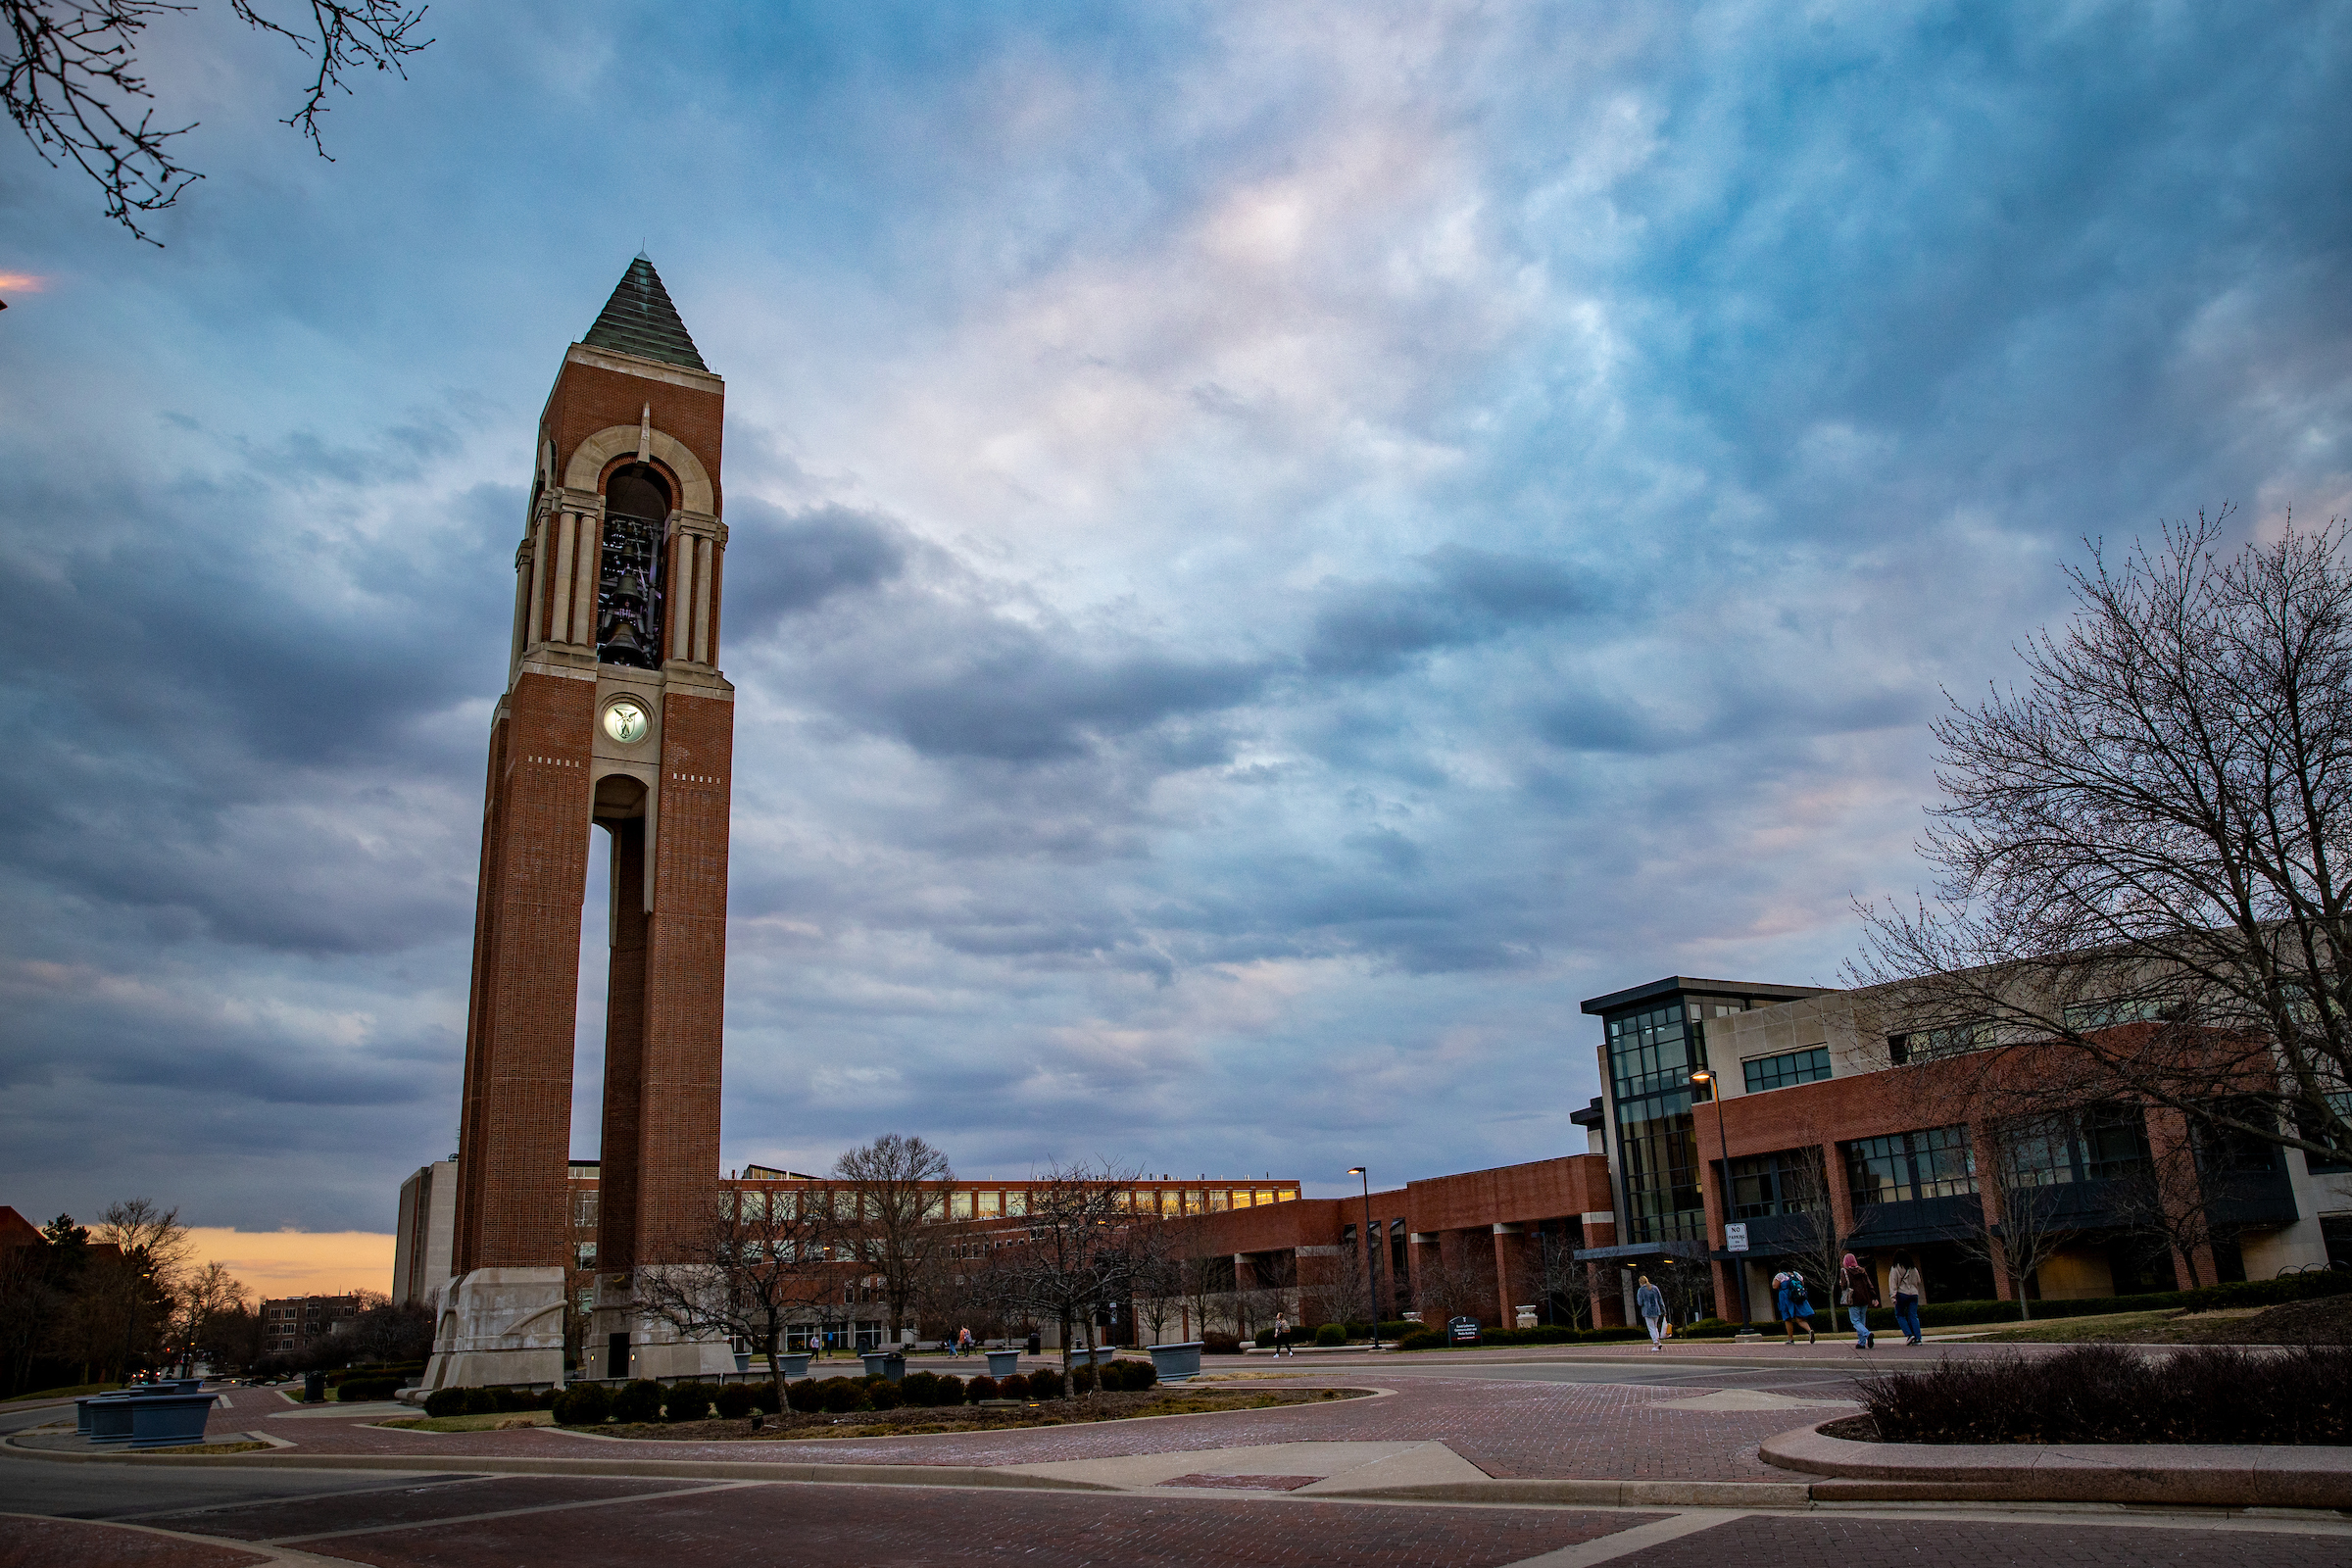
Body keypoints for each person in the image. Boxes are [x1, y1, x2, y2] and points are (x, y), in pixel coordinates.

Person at [1839, 1252, 1880, 1348]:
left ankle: (1867, 1334)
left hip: (1853, 1299)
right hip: (1864, 1298)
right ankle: (1861, 1342)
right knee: (1862, 1321)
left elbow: (1844, 1285)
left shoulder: (1844, 1271)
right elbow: (1869, 1284)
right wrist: (1873, 1296)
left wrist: (1841, 1284)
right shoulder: (1862, 1270)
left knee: (1855, 1321)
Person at [1887, 1252, 1926, 1346]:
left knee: (1899, 1315)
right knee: (1913, 1315)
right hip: (1914, 1294)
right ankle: (1918, 1338)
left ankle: (1909, 1334)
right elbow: (1918, 1280)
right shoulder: (1913, 1268)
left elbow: (1893, 1283)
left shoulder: (1895, 1268)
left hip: (1902, 1294)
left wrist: (1893, 1297)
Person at [1775, 1270, 1816, 1345]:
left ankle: (1790, 1339)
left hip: (1786, 1298)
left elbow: (1775, 1286)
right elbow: (1802, 1284)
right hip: (1797, 1299)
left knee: (1787, 1319)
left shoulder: (1780, 1275)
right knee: (1800, 1319)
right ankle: (1809, 1330)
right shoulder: (1797, 1275)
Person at [1636, 1275, 1668, 1350]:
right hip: (1656, 1310)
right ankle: (1658, 1341)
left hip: (1647, 1311)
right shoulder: (1655, 1288)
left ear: (1640, 1282)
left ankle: (1656, 1343)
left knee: (1651, 1328)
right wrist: (1663, 1310)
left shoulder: (1641, 1290)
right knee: (1655, 1327)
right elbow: (1660, 1300)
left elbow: (1640, 1303)